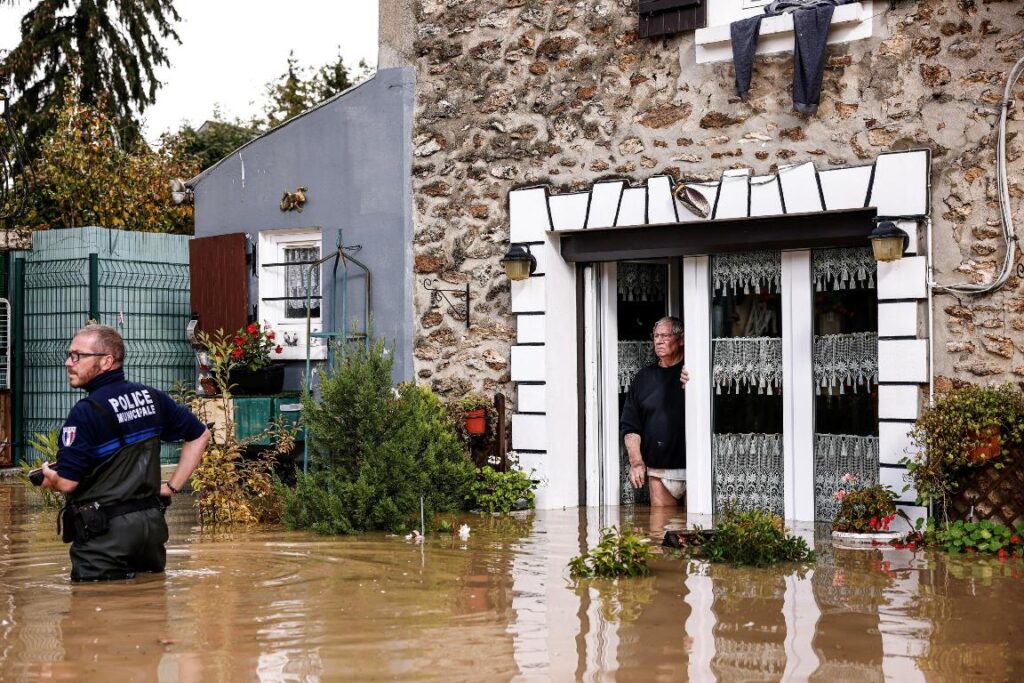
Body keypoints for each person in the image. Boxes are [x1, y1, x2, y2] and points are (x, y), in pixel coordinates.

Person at [41, 324, 211, 581]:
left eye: (78, 355)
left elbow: (66, 482)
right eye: (69, 354)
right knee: (150, 607)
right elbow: (200, 434)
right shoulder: (151, 398)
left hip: (105, 539)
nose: (68, 362)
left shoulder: (85, 412)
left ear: (107, 361)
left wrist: (48, 478)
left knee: (91, 612)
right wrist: (172, 487)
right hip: (151, 531)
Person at [620, 316, 689, 506]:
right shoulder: (643, 378)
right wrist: (636, 462)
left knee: (695, 530)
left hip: (696, 469)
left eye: (665, 336)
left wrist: (694, 382)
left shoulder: (691, 371)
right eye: (656, 336)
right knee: (659, 531)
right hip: (659, 471)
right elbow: (630, 425)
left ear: (681, 339)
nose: (658, 340)